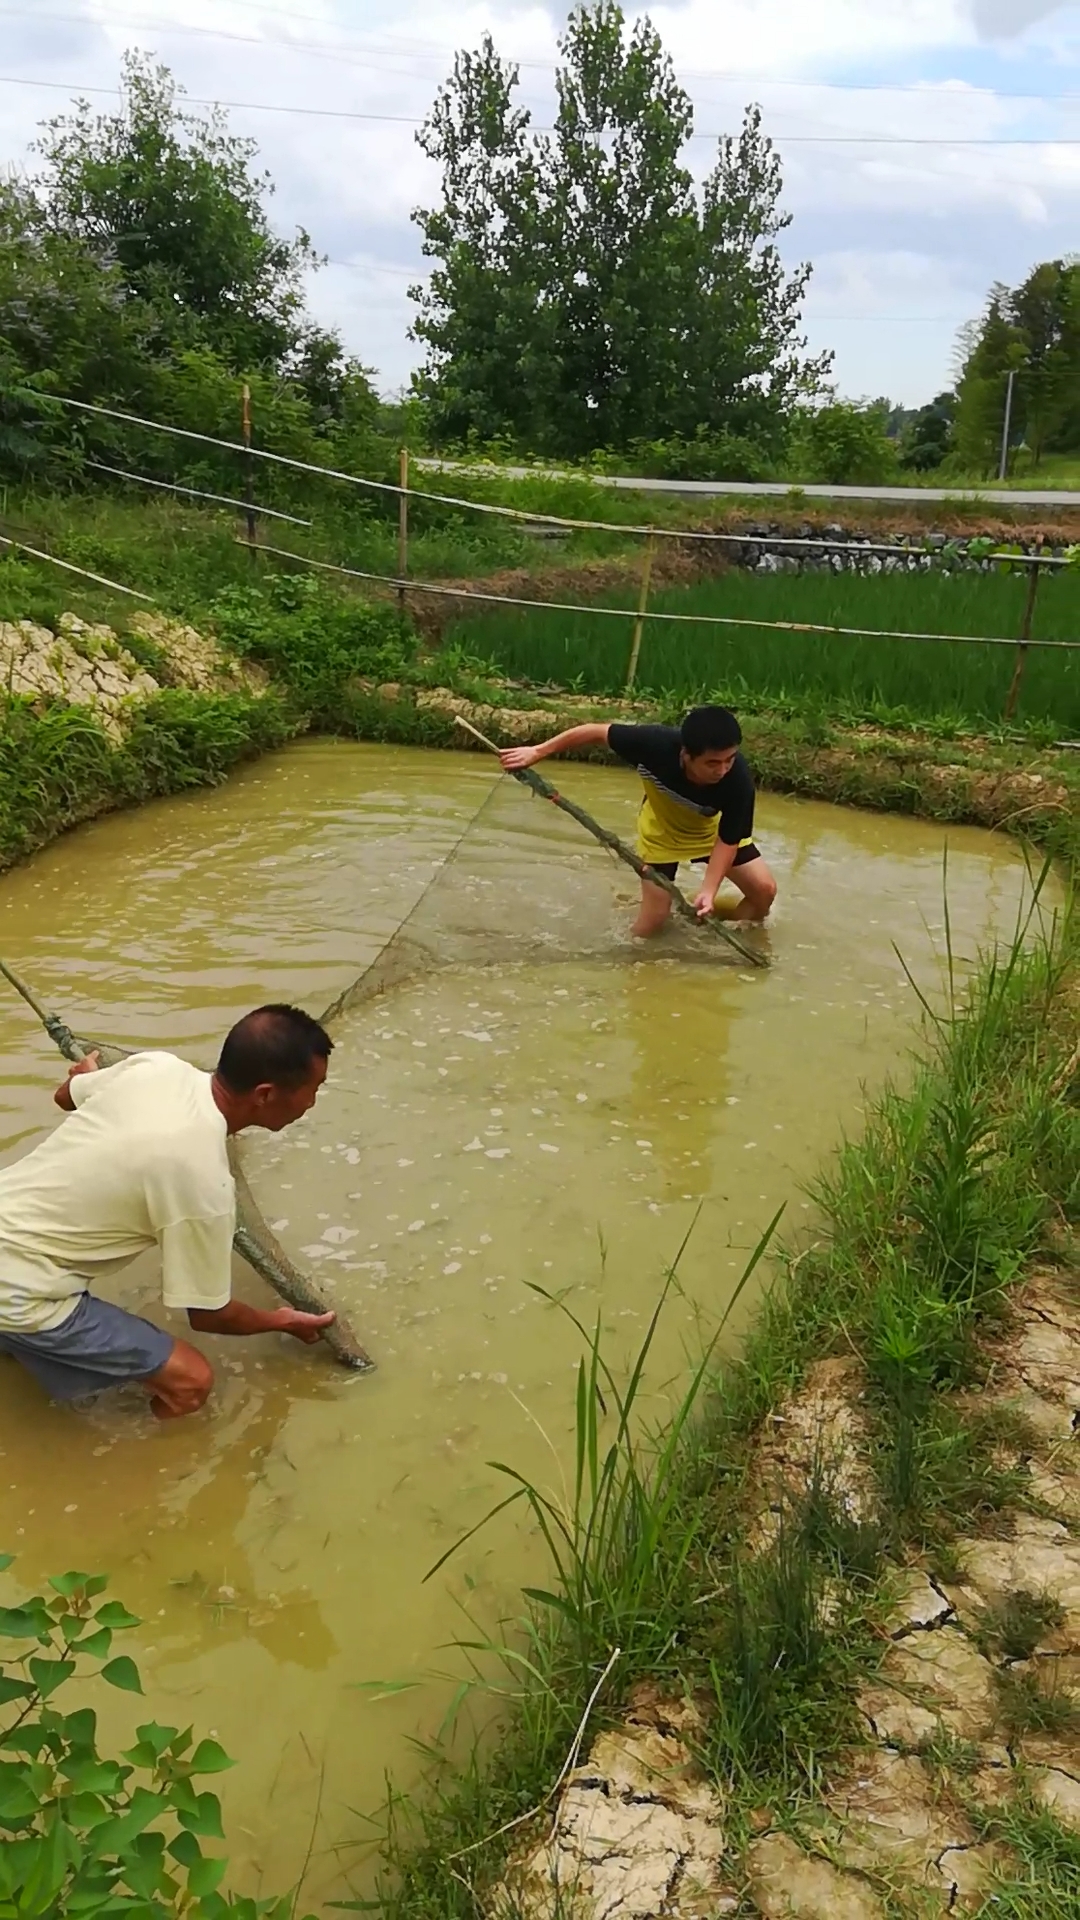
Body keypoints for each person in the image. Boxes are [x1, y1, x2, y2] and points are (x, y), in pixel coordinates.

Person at [0, 1004, 336, 1420]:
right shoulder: (205, 1182)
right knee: (191, 1382)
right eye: (314, 1088)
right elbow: (209, 1315)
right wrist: (281, 1320)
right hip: (19, 1291)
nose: (313, 1101)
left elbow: (66, 1096)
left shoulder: (156, 1068)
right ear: (265, 1094)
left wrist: (84, 1074)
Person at [500, 705, 777, 937]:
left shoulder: (738, 782)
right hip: (662, 832)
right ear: (686, 753)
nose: (723, 770)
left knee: (764, 891)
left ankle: (724, 937)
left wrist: (709, 890)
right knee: (651, 925)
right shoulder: (653, 744)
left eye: (729, 759)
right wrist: (538, 751)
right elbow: (595, 732)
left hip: (709, 832)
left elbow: (728, 840)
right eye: (713, 763)